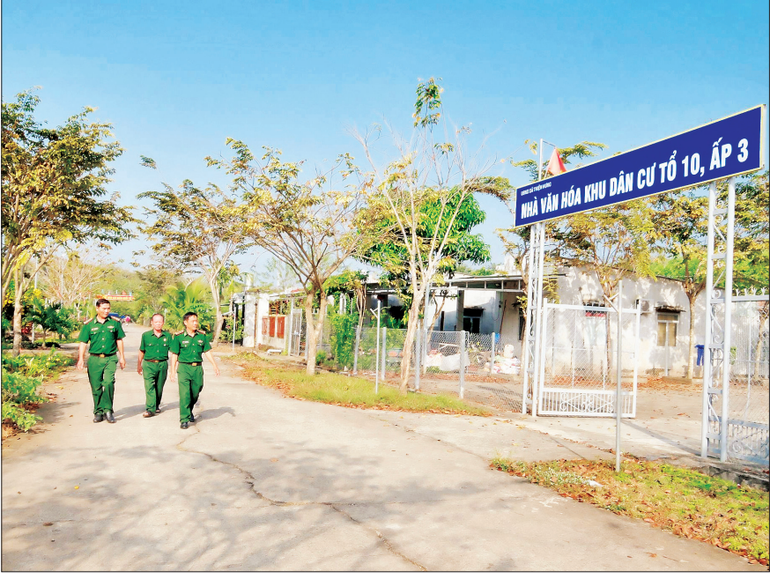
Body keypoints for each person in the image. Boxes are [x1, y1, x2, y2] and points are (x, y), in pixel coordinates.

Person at [77, 298, 127, 423]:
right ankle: (98, 411)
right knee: (96, 387)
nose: (106, 311)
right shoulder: (89, 325)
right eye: (104, 308)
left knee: (109, 382)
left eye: (108, 308)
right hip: (94, 359)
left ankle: (108, 410)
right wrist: (81, 359)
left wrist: (122, 357)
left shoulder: (115, 323)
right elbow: (83, 343)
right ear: (97, 308)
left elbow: (119, 340)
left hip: (110, 358)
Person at [169, 312, 219, 429]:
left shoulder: (202, 336)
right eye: (192, 321)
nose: (195, 323)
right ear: (185, 323)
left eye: (196, 321)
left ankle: (189, 409)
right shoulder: (179, 337)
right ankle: (184, 419)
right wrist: (172, 371)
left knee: (196, 391)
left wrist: (214, 365)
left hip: (197, 368)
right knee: (184, 393)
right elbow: (174, 355)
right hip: (184, 368)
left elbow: (207, 351)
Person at [137, 313, 171, 417]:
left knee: (159, 387)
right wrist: (139, 364)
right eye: (156, 322)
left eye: (160, 322)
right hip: (148, 364)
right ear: (152, 322)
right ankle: (150, 409)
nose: (158, 324)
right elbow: (141, 350)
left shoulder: (168, 336)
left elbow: (174, 351)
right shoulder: (146, 335)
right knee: (149, 386)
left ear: (163, 323)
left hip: (162, 364)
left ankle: (156, 405)